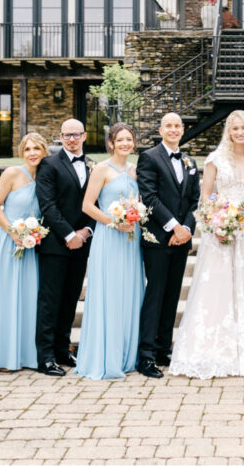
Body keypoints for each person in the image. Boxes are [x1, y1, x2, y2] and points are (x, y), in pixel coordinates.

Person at [169, 111, 244, 378]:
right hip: (219, 226)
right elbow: (206, 196)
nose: (240, 132)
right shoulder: (214, 159)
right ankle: (215, 351)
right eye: (235, 128)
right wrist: (217, 223)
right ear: (228, 131)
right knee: (218, 285)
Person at [75, 123, 145, 380]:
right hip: (109, 237)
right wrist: (114, 222)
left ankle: (128, 355)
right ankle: (107, 357)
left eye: (129, 139)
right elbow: (87, 206)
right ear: (111, 144)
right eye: (120, 140)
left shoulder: (135, 170)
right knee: (110, 294)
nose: (125, 144)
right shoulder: (102, 169)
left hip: (131, 238)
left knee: (129, 293)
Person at [0, 133, 47, 372]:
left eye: (37, 148)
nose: (32, 153)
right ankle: (3, 356)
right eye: (27, 149)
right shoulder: (13, 174)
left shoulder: (46, 176)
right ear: (21, 152)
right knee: (6, 297)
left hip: (32, 245)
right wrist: (13, 231)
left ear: (44, 151)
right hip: (7, 242)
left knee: (27, 297)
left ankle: (26, 354)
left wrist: (32, 235)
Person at [135, 112, 201, 378]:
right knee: (156, 294)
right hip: (158, 238)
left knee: (173, 294)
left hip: (181, 238)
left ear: (183, 130)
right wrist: (172, 226)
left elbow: (195, 200)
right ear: (161, 130)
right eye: (168, 126)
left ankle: (163, 348)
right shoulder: (149, 157)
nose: (173, 130)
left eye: (177, 126)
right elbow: (148, 196)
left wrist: (186, 228)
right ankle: (146, 355)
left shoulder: (189, 161)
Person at [35, 119, 95, 377]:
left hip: (82, 242)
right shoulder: (49, 164)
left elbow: (98, 201)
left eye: (76, 134)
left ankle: (63, 349)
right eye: (67, 135)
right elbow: (47, 205)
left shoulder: (93, 165)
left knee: (70, 299)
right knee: (50, 301)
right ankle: (45, 356)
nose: (72, 139)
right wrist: (69, 234)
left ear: (84, 135)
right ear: (60, 137)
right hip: (56, 244)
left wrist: (85, 231)